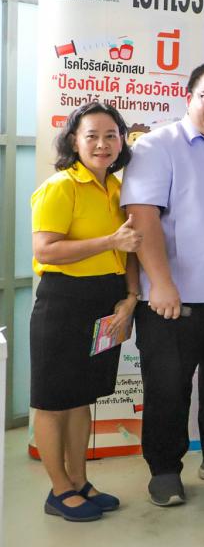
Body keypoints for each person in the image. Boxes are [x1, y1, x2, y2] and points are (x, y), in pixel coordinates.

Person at [122, 60, 204, 507]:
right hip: (172, 298)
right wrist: (161, 283)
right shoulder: (157, 146)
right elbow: (142, 216)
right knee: (168, 388)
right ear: (189, 98)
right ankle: (164, 469)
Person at [29, 102, 141, 521]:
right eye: (91, 135)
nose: (102, 144)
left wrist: (130, 297)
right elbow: (45, 249)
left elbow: (130, 249)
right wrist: (110, 241)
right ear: (74, 141)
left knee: (81, 399)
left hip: (105, 300)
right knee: (53, 401)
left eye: (111, 135)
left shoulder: (116, 188)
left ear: (122, 142)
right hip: (63, 302)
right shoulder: (61, 186)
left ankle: (79, 481)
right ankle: (58, 490)